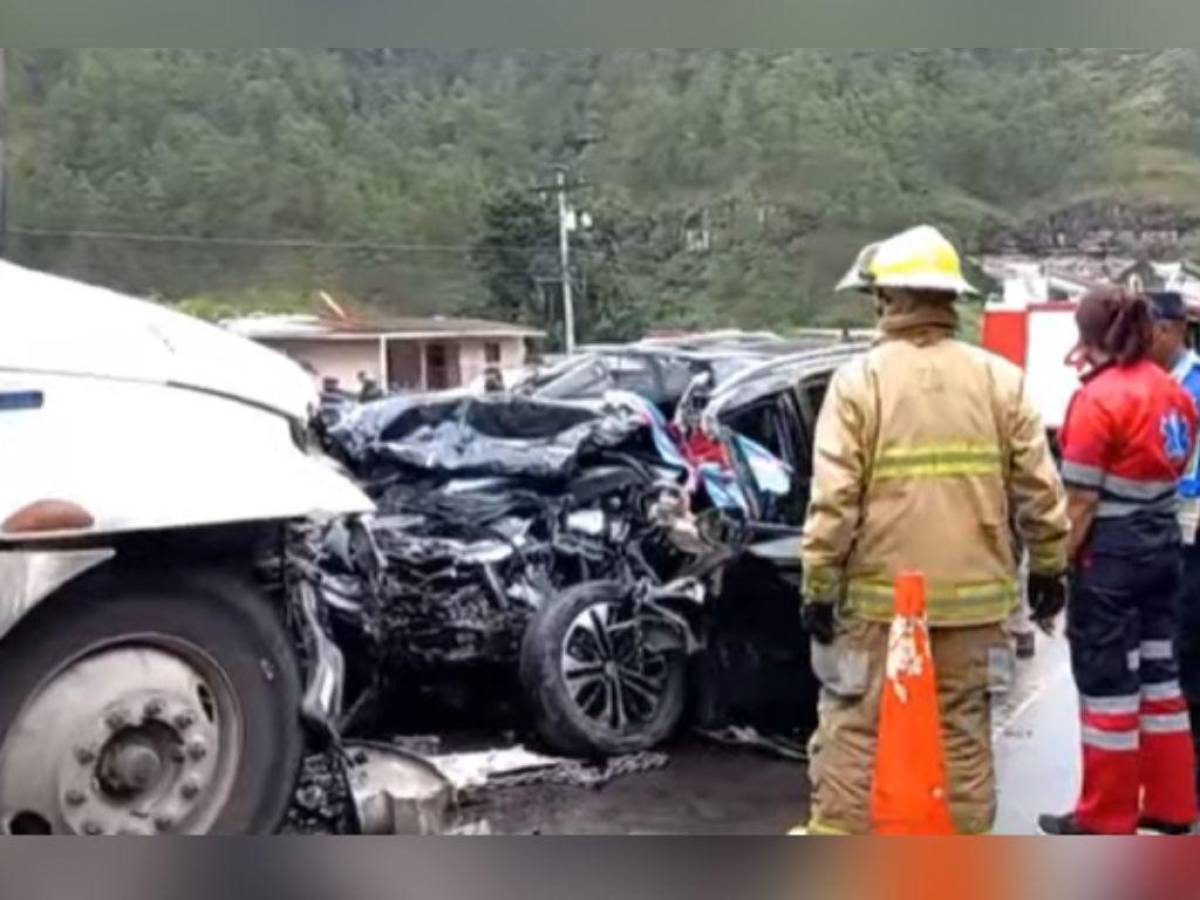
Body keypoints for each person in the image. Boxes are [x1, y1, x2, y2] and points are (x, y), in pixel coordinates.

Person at [800, 225, 1070, 835]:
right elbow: (1039, 491)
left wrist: (818, 586)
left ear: (888, 298)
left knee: (856, 732)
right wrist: (1050, 569)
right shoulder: (1000, 380)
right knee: (963, 736)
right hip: (977, 609)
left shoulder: (859, 382)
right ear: (948, 298)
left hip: (881, 609)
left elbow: (833, 501)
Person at [1039, 288, 1198, 835]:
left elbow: (1080, 503)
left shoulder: (1098, 399)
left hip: (1111, 561)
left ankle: (1106, 815)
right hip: (1164, 551)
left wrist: (1053, 567)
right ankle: (1173, 804)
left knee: (1108, 685)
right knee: (1162, 680)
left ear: (1091, 335)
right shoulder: (1173, 392)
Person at [1148, 290, 1200, 821]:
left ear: (1168, 330)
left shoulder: (1193, 385)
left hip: (1191, 537)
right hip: (1165, 539)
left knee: (1188, 656)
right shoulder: (1157, 384)